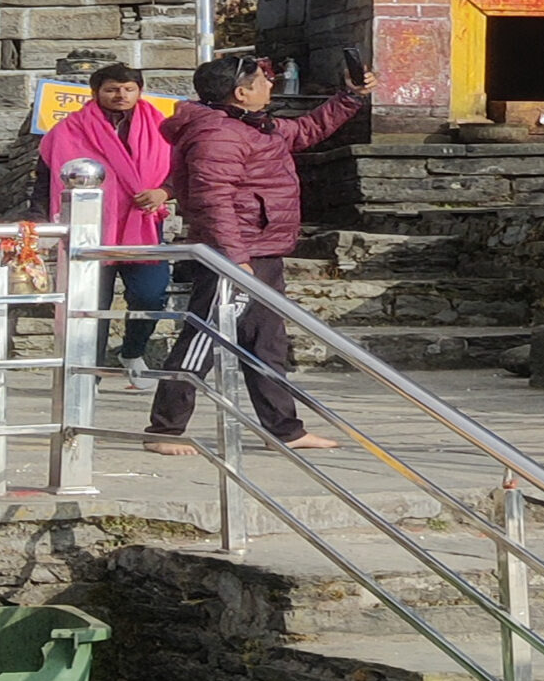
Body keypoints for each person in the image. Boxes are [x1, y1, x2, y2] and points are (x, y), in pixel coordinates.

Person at [145, 55, 367, 457]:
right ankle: (165, 428)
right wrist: (234, 256)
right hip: (235, 253)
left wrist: (350, 97)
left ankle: (284, 427)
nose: (270, 84)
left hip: (261, 249)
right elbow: (214, 200)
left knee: (267, 342)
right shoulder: (218, 134)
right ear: (241, 92)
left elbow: (306, 129)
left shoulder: (253, 125)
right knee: (203, 338)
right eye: (263, 80)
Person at [40, 63, 175, 387]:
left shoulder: (164, 127)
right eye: (112, 89)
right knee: (91, 304)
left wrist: (163, 191)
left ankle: (133, 350)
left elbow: (180, 169)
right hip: (91, 227)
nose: (121, 95)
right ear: (96, 92)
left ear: (140, 90)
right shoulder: (70, 129)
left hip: (141, 224)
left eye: (129, 88)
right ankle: (89, 375)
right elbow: (48, 171)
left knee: (151, 294)